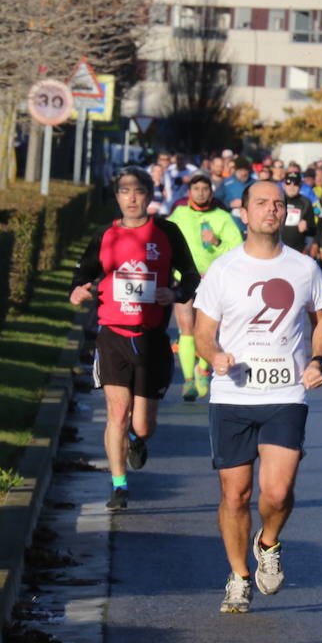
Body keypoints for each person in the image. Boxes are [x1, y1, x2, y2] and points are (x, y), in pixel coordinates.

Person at [193, 180, 322, 613]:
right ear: (245, 213)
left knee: (276, 492)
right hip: (233, 392)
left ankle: (268, 542)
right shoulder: (224, 269)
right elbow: (202, 332)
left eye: (278, 204)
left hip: (286, 392)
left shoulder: (304, 268)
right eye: (262, 203)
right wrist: (214, 355)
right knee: (235, 494)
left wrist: (317, 360)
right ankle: (238, 576)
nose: (271, 210)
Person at [69, 167, 200, 510]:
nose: (131, 198)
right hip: (112, 334)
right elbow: (82, 274)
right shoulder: (104, 236)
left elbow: (190, 275)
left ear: (149, 194)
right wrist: (78, 290)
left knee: (142, 424)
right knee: (117, 411)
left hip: (152, 338)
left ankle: (136, 441)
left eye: (138, 191)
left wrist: (174, 294)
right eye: (124, 191)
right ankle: (118, 486)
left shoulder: (167, 232)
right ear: (116, 197)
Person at [167, 173, 244, 401]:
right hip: (185, 278)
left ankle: (203, 370)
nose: (201, 193)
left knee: (207, 329)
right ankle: (189, 381)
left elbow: (237, 247)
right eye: (196, 189)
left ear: (211, 192)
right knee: (186, 328)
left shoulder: (222, 217)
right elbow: (164, 241)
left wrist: (216, 242)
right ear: (189, 192)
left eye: (205, 189)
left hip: (212, 282)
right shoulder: (179, 215)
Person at [280, 171, 318, 255]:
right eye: (288, 182)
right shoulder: (278, 199)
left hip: (298, 250)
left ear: (300, 186)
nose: (292, 186)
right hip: (277, 248)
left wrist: (306, 227)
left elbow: (312, 229)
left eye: (295, 183)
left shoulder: (305, 202)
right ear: (283, 184)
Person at [217, 156, 254, 233]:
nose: (243, 173)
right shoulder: (226, 183)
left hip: (250, 227)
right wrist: (229, 204)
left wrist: (247, 203)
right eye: (240, 170)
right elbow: (216, 201)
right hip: (230, 226)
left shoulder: (255, 184)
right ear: (235, 170)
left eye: (245, 170)